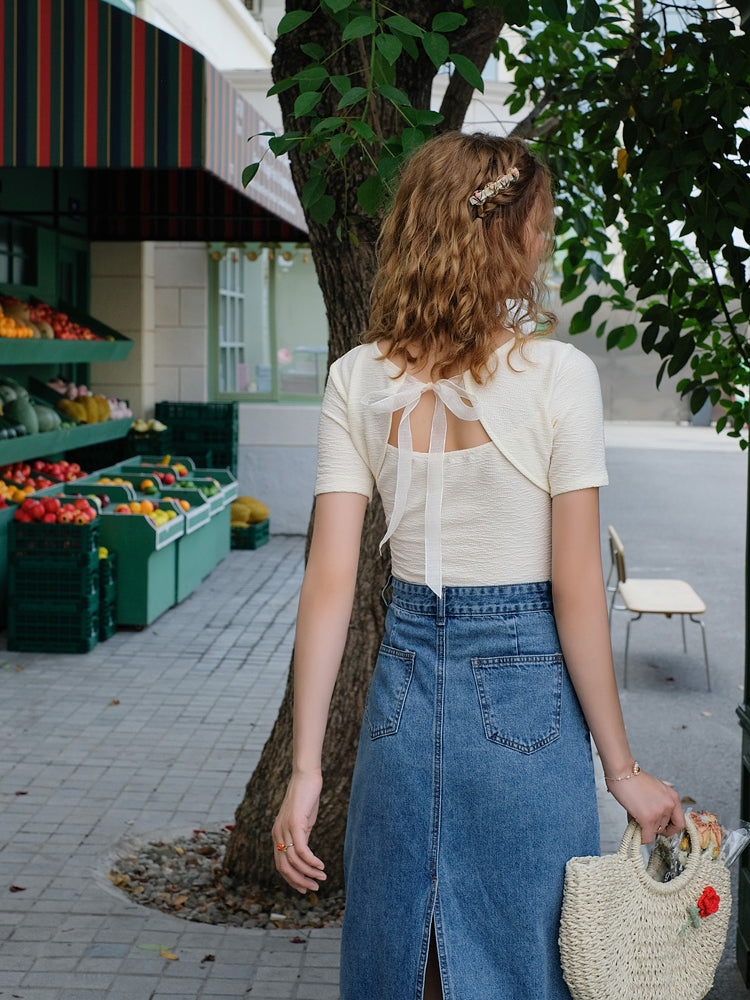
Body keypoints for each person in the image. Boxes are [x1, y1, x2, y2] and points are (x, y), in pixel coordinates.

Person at [271, 131, 684, 1000]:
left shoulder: (356, 378)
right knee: (526, 966)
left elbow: (330, 586)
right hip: (527, 706)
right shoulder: (557, 376)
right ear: (504, 236)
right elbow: (577, 590)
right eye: (539, 223)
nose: (545, 240)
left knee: (404, 966)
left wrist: (306, 771)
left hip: (401, 694)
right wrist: (623, 771)